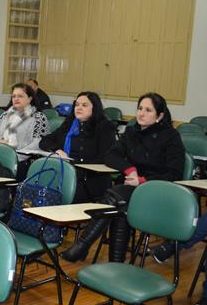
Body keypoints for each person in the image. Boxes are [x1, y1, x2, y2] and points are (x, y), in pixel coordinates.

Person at [60, 92, 185, 263]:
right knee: (121, 207)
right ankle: (115, 262)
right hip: (129, 187)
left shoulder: (171, 136)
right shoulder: (132, 132)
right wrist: (130, 170)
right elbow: (110, 155)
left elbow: (175, 173)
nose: (141, 113)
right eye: (140, 108)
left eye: (148, 110)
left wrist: (142, 181)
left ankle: (82, 245)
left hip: (158, 190)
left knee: (116, 197)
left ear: (160, 116)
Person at [39, 91, 116, 202]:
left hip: (90, 178)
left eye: (84, 105)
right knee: (42, 186)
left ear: (94, 108)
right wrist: (58, 150)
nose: (79, 108)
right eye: (77, 104)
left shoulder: (105, 127)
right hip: (66, 172)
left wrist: (75, 165)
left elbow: (106, 156)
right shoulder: (69, 124)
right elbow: (45, 141)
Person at [0, 82, 49, 179]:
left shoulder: (38, 117)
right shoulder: (6, 115)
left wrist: (12, 156)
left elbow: (38, 143)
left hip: (23, 162)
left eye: (20, 96)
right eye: (14, 96)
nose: (16, 99)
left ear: (30, 99)